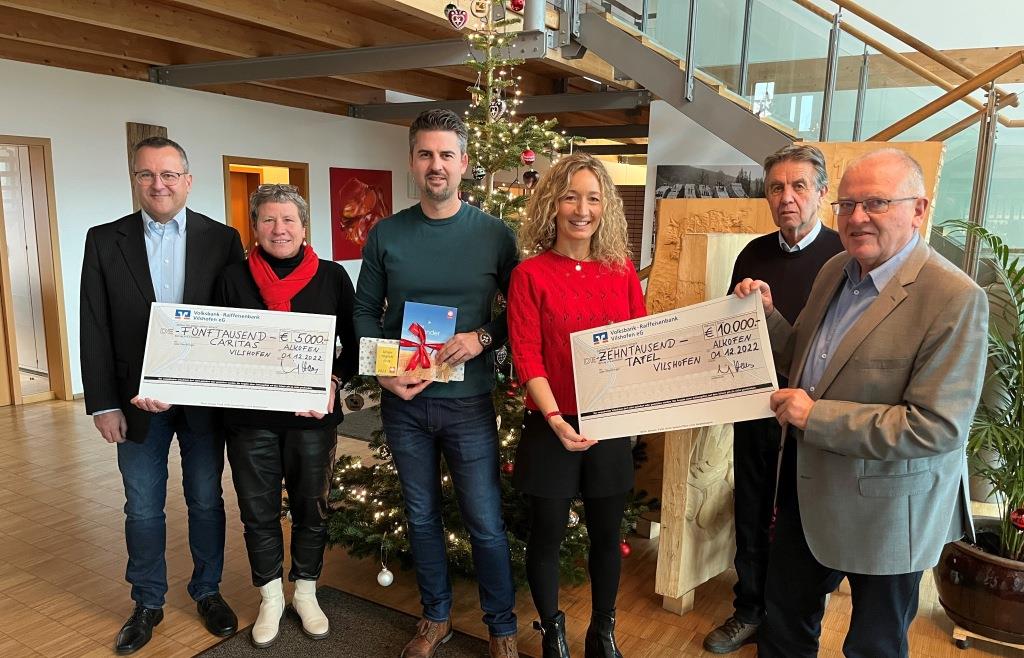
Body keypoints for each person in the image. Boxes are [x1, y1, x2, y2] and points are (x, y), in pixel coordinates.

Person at [734, 148, 988, 658]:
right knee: (783, 631)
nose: (857, 218)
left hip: (889, 512)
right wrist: (768, 318)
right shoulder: (835, 271)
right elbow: (807, 358)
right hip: (808, 494)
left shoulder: (955, 297)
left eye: (876, 203)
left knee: (874, 646)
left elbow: (935, 427)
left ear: (918, 208)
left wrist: (815, 415)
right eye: (847, 205)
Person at [353, 109, 520, 658]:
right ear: (411, 161)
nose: (436, 165)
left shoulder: (495, 234)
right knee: (421, 516)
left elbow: (519, 311)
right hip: (405, 405)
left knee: (485, 521)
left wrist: (482, 339)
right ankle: (436, 618)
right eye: (426, 154)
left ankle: (501, 627)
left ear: (465, 164)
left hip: (469, 403)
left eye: (447, 154)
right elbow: (362, 312)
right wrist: (381, 372)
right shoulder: (387, 233)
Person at [80, 136, 243, 654]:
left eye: (169, 174)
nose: (159, 184)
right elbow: (94, 324)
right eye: (147, 175)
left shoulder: (223, 240)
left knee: (206, 500)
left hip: (203, 402)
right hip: (134, 403)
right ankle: (147, 601)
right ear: (135, 180)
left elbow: (236, 322)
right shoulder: (104, 240)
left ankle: (208, 591)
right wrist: (104, 403)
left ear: (188, 181)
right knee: (143, 508)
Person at [704, 144, 843, 654]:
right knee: (752, 508)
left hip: (813, 417)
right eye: (777, 187)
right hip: (756, 408)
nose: (787, 197)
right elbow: (729, 328)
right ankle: (748, 609)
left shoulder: (842, 256)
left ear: (822, 194)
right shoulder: (752, 253)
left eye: (799, 186)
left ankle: (792, 615)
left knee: (799, 518)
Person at [508, 153, 646, 658]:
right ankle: (552, 631)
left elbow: (638, 343)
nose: (581, 209)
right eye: (570, 196)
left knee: (607, 537)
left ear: (605, 206)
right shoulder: (531, 275)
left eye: (593, 198)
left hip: (608, 426)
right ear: (552, 203)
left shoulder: (621, 271)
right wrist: (555, 419)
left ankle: (602, 631)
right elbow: (526, 353)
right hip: (551, 425)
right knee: (545, 535)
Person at [214, 184, 357, 647]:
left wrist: (335, 379)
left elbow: (353, 346)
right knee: (257, 511)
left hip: (311, 418)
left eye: (288, 219)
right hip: (250, 418)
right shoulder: (231, 278)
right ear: (254, 227)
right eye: (269, 220)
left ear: (303, 225)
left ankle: (307, 591)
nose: (279, 229)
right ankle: (271, 595)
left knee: (311, 508)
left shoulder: (333, 277)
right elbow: (217, 343)